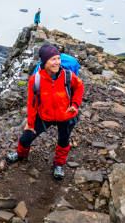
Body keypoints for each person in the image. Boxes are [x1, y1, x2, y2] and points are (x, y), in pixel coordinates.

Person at [5, 44, 84, 180]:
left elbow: (79, 87)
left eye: (58, 58)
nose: (57, 62)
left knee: (64, 140)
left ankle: (59, 165)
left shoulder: (68, 75)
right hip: (44, 115)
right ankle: (20, 154)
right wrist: (30, 123)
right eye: (53, 59)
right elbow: (32, 103)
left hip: (66, 115)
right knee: (26, 137)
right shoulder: (35, 80)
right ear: (44, 61)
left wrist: (75, 104)